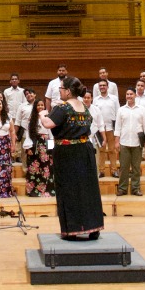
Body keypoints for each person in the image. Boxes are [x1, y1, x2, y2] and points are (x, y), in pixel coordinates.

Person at [40, 76, 104, 240]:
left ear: (68, 91)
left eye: (61, 88)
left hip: (68, 152)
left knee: (69, 189)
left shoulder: (63, 108)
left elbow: (48, 124)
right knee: (88, 189)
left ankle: (72, 230)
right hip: (85, 150)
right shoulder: (84, 106)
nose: (59, 91)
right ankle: (93, 227)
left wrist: (42, 113)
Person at [114, 88, 145, 196]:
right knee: (124, 167)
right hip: (124, 142)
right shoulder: (121, 110)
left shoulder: (142, 109)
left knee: (136, 168)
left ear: (135, 96)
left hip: (137, 143)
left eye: (131, 94)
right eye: (127, 94)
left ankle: (135, 188)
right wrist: (116, 142)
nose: (129, 96)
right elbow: (118, 127)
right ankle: (122, 188)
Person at [23, 96, 53, 196]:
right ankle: (34, 190)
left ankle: (46, 189)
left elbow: (51, 132)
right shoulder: (31, 119)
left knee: (46, 167)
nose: (40, 106)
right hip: (34, 143)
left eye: (42, 105)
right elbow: (28, 133)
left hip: (45, 144)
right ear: (35, 106)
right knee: (34, 167)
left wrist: (51, 146)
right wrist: (28, 147)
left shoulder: (48, 117)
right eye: (38, 105)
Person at [93, 79, 119, 178]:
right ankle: (101, 170)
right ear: (98, 87)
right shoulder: (96, 100)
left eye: (104, 85)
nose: (102, 87)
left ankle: (114, 170)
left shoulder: (114, 99)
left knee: (112, 150)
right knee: (101, 150)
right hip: (100, 129)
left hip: (111, 128)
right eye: (100, 86)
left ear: (108, 87)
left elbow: (118, 112)